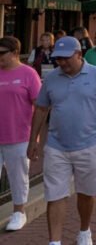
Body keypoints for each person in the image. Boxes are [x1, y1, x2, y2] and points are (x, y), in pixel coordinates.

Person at [27, 36, 96, 245]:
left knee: (87, 194)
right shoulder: (52, 78)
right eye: (58, 58)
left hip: (89, 145)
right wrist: (33, 140)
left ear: (79, 54)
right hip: (56, 146)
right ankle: (54, 242)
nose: (61, 62)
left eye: (65, 58)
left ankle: (84, 230)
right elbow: (42, 108)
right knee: (55, 195)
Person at [1, 37, 42, 231]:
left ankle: (19, 212)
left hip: (18, 135)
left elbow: (40, 106)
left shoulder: (28, 74)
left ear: (15, 53)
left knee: (18, 176)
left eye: (2, 53)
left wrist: (35, 137)